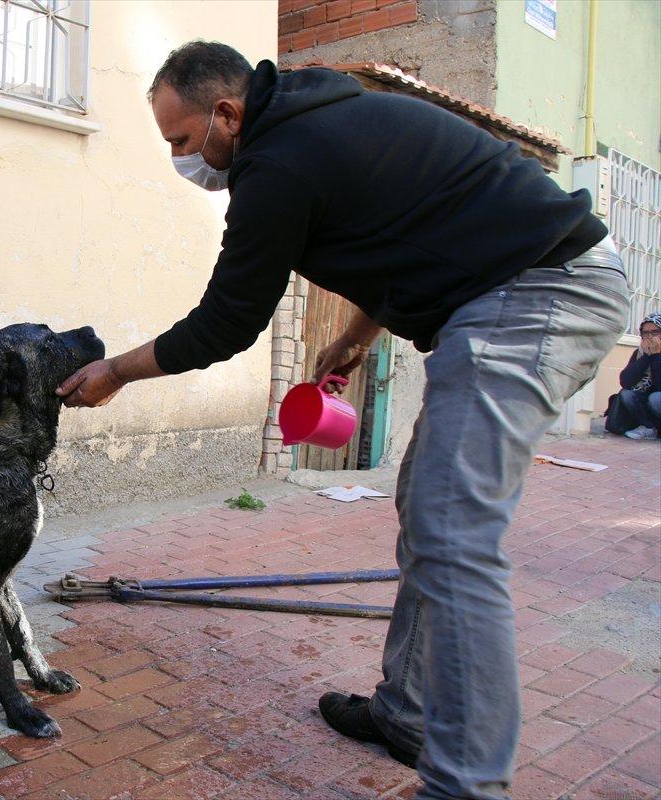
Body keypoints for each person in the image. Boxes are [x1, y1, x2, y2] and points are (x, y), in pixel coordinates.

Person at [56, 41, 629, 800]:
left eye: (183, 141)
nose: (183, 159)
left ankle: (466, 784)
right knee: (429, 514)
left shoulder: (278, 163)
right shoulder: (313, 121)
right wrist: (358, 335)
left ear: (227, 114)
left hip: (538, 292)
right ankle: (410, 715)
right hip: (508, 291)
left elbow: (226, 323)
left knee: (455, 532)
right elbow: (408, 231)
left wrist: (116, 373)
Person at [611, 312, 661, 439]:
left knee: (656, 398)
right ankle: (649, 428)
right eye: (645, 333)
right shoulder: (639, 353)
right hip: (645, 402)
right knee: (626, 394)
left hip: (657, 399)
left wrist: (656, 356)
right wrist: (646, 357)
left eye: (655, 332)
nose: (649, 336)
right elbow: (625, 381)